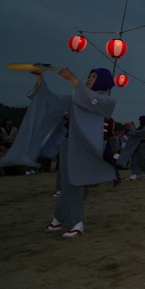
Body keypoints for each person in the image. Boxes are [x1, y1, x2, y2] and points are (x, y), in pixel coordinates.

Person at [4, 68, 118, 238]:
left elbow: (92, 100)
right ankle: (60, 217)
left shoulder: (106, 100)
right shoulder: (75, 97)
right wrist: (39, 79)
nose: (89, 79)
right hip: (69, 143)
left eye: (94, 77)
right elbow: (49, 100)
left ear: (103, 81)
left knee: (75, 183)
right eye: (89, 76)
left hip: (89, 147)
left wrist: (73, 80)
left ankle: (75, 222)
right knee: (69, 183)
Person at [116, 116, 145, 180]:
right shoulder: (141, 128)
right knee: (134, 158)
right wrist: (132, 126)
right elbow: (134, 132)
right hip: (136, 144)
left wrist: (131, 126)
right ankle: (134, 174)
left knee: (142, 159)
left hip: (143, 145)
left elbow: (135, 133)